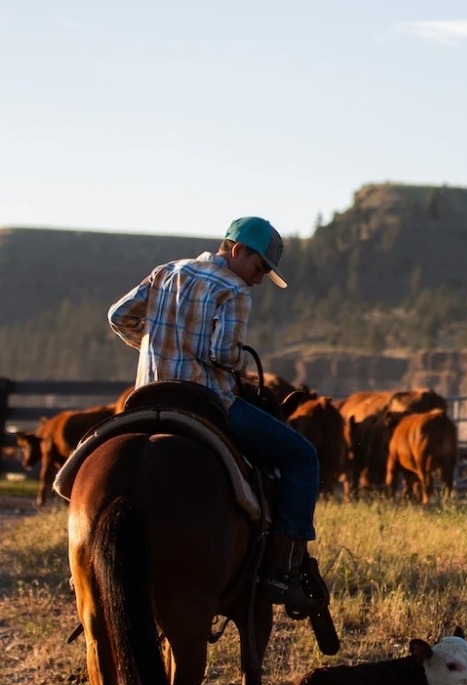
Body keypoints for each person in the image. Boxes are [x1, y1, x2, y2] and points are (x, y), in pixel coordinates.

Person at [108, 216, 320, 612]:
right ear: (237, 250)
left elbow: (118, 316)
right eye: (259, 267)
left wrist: (155, 346)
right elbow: (222, 355)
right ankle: (284, 568)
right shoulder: (234, 289)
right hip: (207, 401)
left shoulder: (166, 271)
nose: (257, 279)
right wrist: (238, 357)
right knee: (301, 456)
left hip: (148, 397)